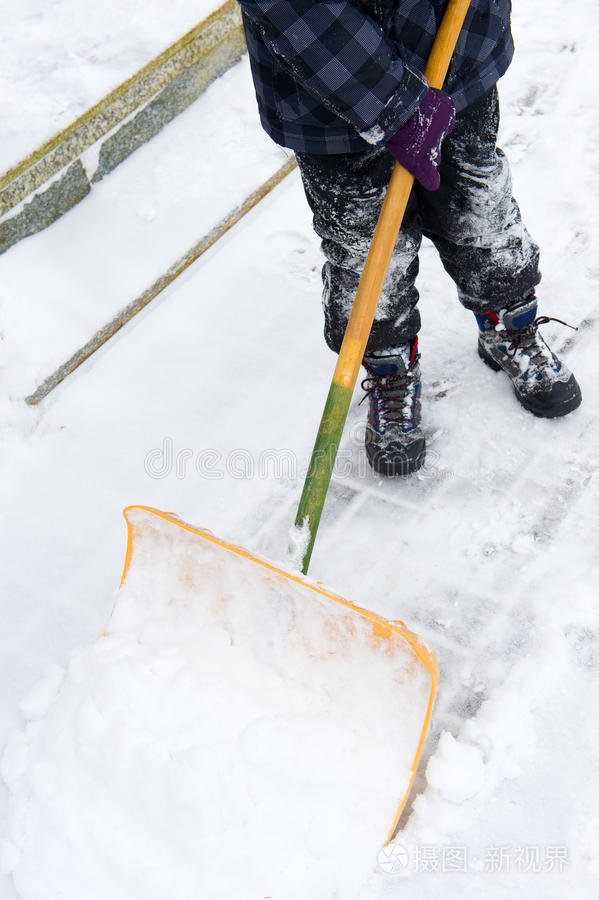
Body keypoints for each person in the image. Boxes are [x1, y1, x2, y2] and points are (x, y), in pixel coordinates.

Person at [238, 0, 582, 476]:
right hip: (329, 89)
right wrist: (389, 103)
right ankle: (390, 368)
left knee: (479, 206)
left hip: (456, 44)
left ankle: (509, 322)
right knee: (366, 245)